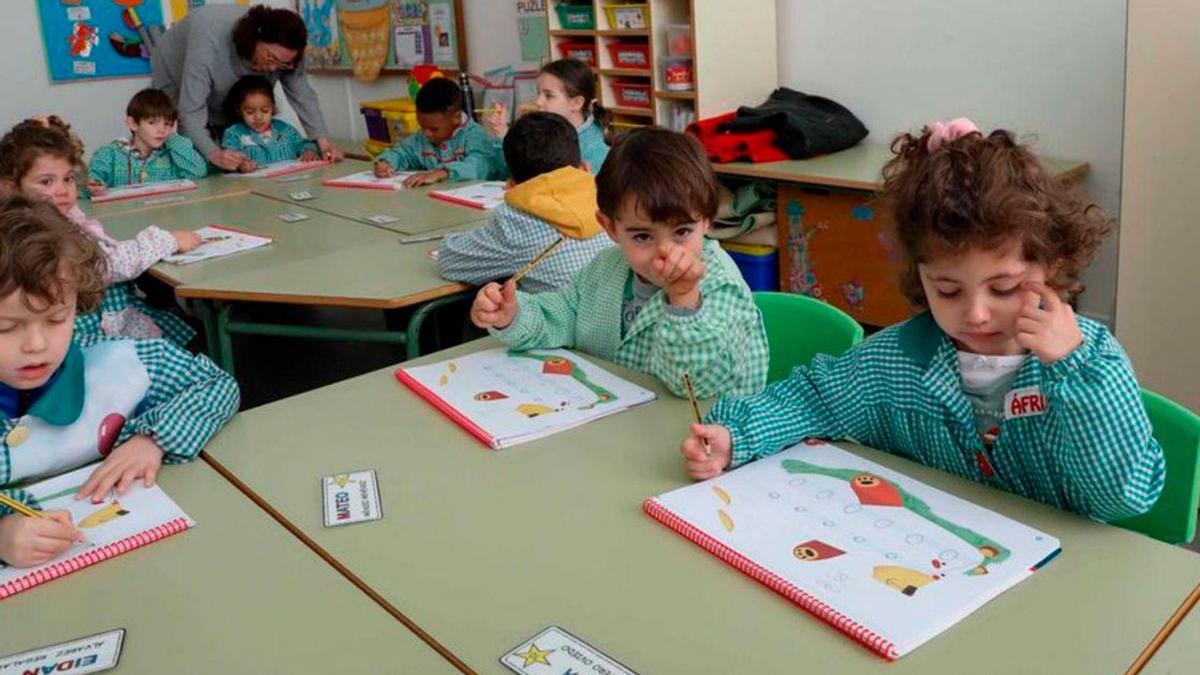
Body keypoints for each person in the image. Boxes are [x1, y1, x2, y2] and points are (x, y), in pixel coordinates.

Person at [680, 118, 1165, 523]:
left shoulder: (1091, 360)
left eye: (1004, 288)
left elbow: (1121, 498)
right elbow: (815, 397)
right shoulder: (899, 359)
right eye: (948, 290)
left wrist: (1073, 371)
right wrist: (735, 437)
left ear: (1051, 266)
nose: (975, 314)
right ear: (920, 277)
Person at [0, 197, 239, 567]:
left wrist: (153, 439)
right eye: (6, 327)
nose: (36, 345)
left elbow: (216, 385)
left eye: (56, 319)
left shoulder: (119, 362)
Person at [469, 127, 768, 399]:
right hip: (617, 423)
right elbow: (561, 316)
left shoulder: (720, 284)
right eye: (642, 236)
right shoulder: (607, 267)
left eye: (682, 232)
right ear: (610, 227)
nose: (665, 252)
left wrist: (684, 299)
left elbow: (693, 386)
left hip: (704, 442)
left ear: (707, 220)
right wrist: (514, 314)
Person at [149, 4, 342, 171]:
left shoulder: (288, 53)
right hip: (174, 71)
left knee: (240, 122)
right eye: (271, 58)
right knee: (201, 155)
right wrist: (215, 154)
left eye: (283, 64)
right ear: (255, 41)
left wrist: (324, 144)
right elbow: (190, 111)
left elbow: (303, 95)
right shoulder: (209, 36)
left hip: (226, 87)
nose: (274, 68)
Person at [437, 112, 613, 293]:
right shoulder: (611, 199)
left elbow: (448, 262)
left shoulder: (517, 220)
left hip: (560, 320)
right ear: (585, 167)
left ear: (513, 186)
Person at [482, 59, 610, 177]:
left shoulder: (595, 152)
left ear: (576, 103)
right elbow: (512, 174)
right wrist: (504, 136)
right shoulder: (539, 131)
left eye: (549, 96)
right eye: (538, 93)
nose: (538, 101)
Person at [373, 77, 495, 187]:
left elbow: (480, 165)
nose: (426, 134)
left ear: (456, 118)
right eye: (422, 126)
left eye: (434, 129)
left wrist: (442, 173)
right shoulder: (421, 138)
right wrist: (386, 163)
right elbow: (402, 152)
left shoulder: (474, 135)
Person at [220, 75, 321, 172]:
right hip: (253, 186)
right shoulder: (234, 134)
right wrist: (239, 165)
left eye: (265, 110)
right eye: (250, 112)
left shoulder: (285, 130)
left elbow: (303, 145)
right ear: (239, 111)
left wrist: (309, 152)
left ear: (272, 108)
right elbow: (228, 160)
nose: (258, 117)